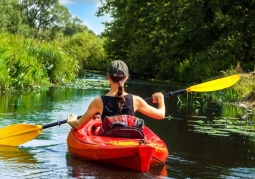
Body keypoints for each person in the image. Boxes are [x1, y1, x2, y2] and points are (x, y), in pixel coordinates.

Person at [67, 60, 165, 132]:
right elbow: (161, 115)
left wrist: (71, 121)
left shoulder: (98, 102)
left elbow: (78, 125)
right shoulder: (136, 100)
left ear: (108, 77)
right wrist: (161, 100)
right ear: (127, 77)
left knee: (96, 130)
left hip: (108, 140)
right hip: (129, 141)